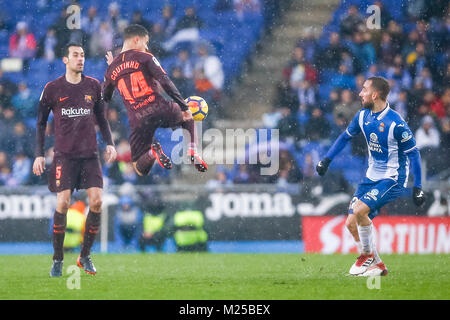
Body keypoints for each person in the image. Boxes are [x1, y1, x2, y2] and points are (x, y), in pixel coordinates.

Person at [316, 76, 426, 277]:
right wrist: (326, 160)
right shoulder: (362, 116)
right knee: (350, 223)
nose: (360, 93)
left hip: (393, 178)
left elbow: (414, 153)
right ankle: (378, 264)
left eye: (364, 89)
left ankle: (367, 256)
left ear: (375, 95)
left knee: (359, 211)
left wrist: (418, 187)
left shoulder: (396, 123)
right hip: (370, 177)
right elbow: (344, 137)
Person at [32, 43, 117, 277]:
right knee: (63, 204)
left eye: (83, 55)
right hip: (64, 156)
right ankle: (58, 259)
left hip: (90, 154)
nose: (81, 59)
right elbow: (40, 122)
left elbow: (101, 116)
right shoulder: (52, 88)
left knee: (97, 202)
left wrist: (109, 142)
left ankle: (84, 256)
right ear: (65, 60)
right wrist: (39, 153)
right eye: (76, 55)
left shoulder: (93, 86)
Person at [103, 24, 207, 177]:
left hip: (137, 118)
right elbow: (165, 82)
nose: (146, 47)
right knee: (188, 116)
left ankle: (152, 153)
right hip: (159, 107)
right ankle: (192, 150)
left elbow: (106, 97)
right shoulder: (146, 57)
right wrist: (183, 106)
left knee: (139, 168)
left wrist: (112, 73)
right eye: (145, 43)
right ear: (137, 39)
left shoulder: (112, 69)